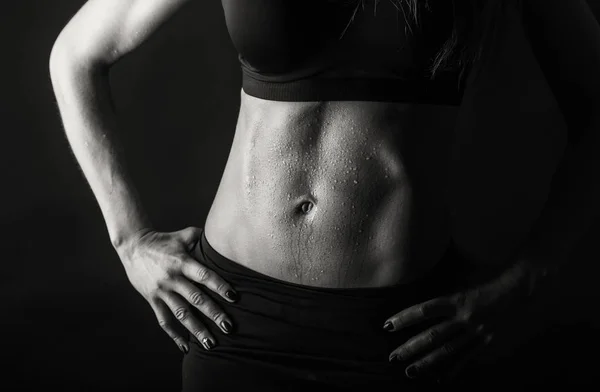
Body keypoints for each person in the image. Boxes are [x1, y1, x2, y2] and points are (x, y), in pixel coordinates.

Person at [49, 0, 600, 390]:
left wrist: (528, 279)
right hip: (234, 318)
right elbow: (76, 56)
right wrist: (131, 238)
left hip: (398, 336)